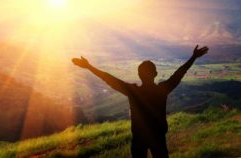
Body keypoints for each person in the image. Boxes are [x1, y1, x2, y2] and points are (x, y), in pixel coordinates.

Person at [72, 45, 209, 158]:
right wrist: (193, 57)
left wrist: (89, 66)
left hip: (138, 138)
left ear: (138, 75)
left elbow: (108, 78)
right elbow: (179, 73)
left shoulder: (133, 91)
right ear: (155, 74)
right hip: (158, 138)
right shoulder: (162, 90)